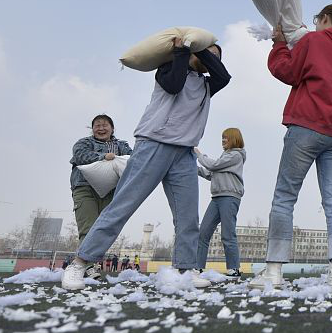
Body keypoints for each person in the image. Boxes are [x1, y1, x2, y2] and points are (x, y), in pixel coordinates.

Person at [62, 38, 231, 290]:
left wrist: (206, 54)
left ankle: (186, 268)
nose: (212, 60)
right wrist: (184, 50)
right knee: (122, 205)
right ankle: (80, 263)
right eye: (208, 54)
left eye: (216, 57)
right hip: (153, 144)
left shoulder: (208, 85)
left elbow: (224, 76)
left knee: (188, 216)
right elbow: (174, 86)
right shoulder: (168, 71)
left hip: (184, 153)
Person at [250, 4, 332, 291]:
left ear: (324, 19)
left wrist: (279, 44)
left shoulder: (313, 40)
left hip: (306, 125)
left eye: (317, 21)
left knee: (285, 197)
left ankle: (274, 271)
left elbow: (287, 71)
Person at [70, 115, 133, 245]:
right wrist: (103, 156)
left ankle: (94, 262)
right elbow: (81, 156)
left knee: (105, 229)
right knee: (88, 228)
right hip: (85, 188)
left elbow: (132, 160)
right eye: (97, 126)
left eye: (105, 125)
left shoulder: (122, 145)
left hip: (111, 192)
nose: (101, 128)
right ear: (92, 129)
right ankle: (85, 263)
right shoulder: (84, 143)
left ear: (112, 129)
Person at [195, 128, 247, 280]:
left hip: (230, 197)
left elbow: (213, 165)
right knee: (203, 232)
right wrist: (193, 168)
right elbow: (210, 173)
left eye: (226, 138)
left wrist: (198, 154)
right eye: (222, 138)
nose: (223, 140)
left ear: (234, 139)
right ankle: (197, 267)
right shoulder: (225, 157)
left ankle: (233, 269)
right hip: (217, 197)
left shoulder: (236, 155)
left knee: (227, 234)